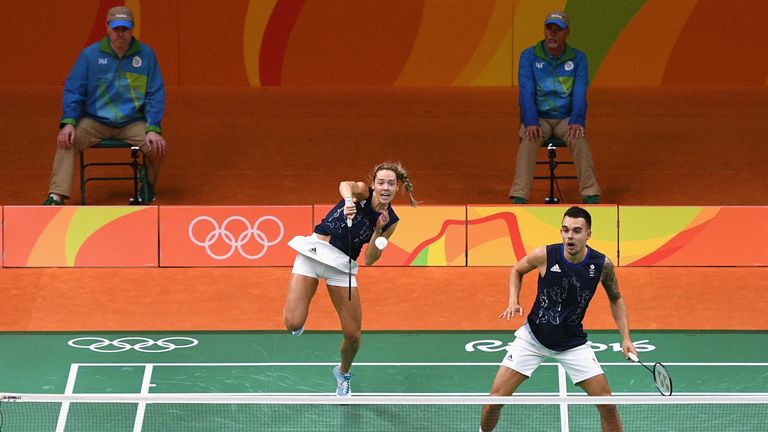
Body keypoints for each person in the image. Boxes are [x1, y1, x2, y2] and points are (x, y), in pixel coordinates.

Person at [480, 206, 634, 432]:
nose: (570, 236)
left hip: (572, 343)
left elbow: (616, 299)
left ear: (588, 234)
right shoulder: (545, 255)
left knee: (608, 405)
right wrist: (513, 300)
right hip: (533, 339)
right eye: (565, 230)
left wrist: (626, 338)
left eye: (577, 231)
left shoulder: (602, 265)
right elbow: (517, 270)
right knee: (494, 401)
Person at [283, 162, 418, 397]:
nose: (385, 187)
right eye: (381, 182)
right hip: (313, 253)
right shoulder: (361, 193)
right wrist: (348, 201)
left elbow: (369, 259)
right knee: (293, 324)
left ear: (398, 188)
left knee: (353, 335)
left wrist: (378, 231)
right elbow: (345, 185)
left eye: (391, 183)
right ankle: (300, 311)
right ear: (374, 185)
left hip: (341, 267)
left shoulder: (391, 221)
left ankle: (343, 374)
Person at [44, 5, 166, 205]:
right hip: (95, 122)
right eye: (116, 29)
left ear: (132, 29)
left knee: (158, 146)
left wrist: (153, 128)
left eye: (124, 29)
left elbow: (155, 94)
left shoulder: (146, 56)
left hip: (132, 123)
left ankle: (148, 186)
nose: (120, 34)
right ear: (107, 28)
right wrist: (69, 122)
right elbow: (74, 90)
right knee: (67, 140)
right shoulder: (89, 56)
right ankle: (56, 195)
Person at [509, 11, 601, 205]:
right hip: (539, 119)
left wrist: (577, 120)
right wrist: (531, 122)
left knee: (579, 138)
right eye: (549, 29)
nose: (552, 34)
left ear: (566, 33)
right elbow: (526, 92)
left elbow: (579, 92)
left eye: (557, 30)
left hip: (566, 119)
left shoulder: (578, 58)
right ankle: (519, 195)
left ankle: (590, 192)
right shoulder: (529, 56)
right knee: (528, 137)